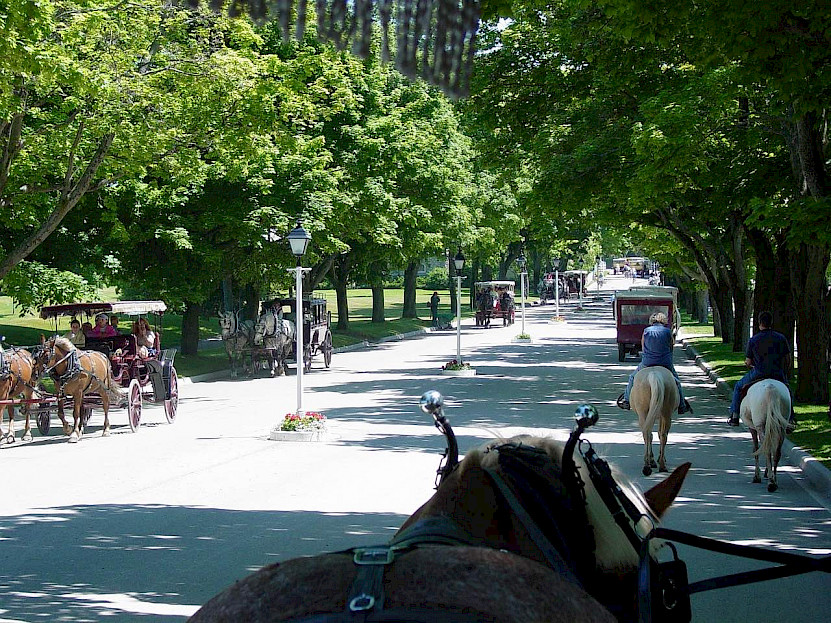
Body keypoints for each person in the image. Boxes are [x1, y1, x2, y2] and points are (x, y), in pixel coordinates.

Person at [728, 311, 794, 430]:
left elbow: (748, 362)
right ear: (771, 323)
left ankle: (734, 415)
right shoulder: (780, 338)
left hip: (759, 372)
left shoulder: (753, 340)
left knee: (738, 386)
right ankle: (790, 418)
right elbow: (788, 359)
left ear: (759, 323)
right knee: (787, 390)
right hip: (777, 372)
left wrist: (749, 364)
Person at [619, 312, 692, 414]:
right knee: (676, 381)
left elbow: (643, 347)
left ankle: (626, 400)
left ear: (652, 321)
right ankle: (682, 405)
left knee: (632, 377)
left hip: (648, 362)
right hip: (665, 362)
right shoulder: (667, 331)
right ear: (663, 321)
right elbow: (671, 347)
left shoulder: (646, 331)